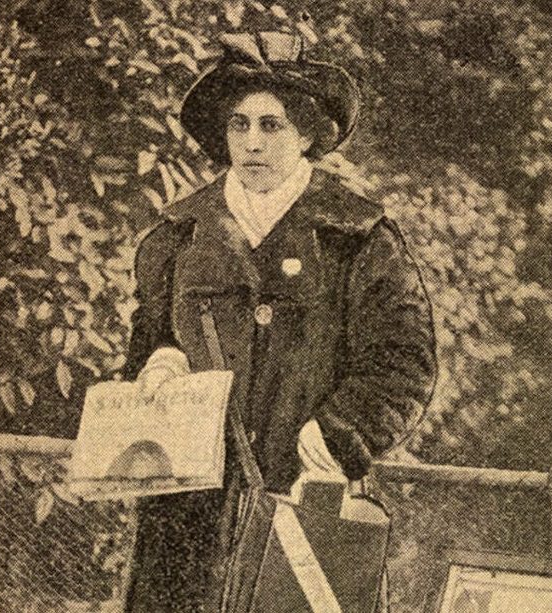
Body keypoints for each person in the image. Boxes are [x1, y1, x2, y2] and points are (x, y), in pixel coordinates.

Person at [121, 30, 437, 612]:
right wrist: (160, 363)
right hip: (188, 510)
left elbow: (404, 363)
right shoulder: (179, 235)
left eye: (272, 126)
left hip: (307, 493)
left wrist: (340, 433)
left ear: (309, 135)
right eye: (239, 125)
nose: (252, 143)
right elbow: (151, 338)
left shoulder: (357, 236)